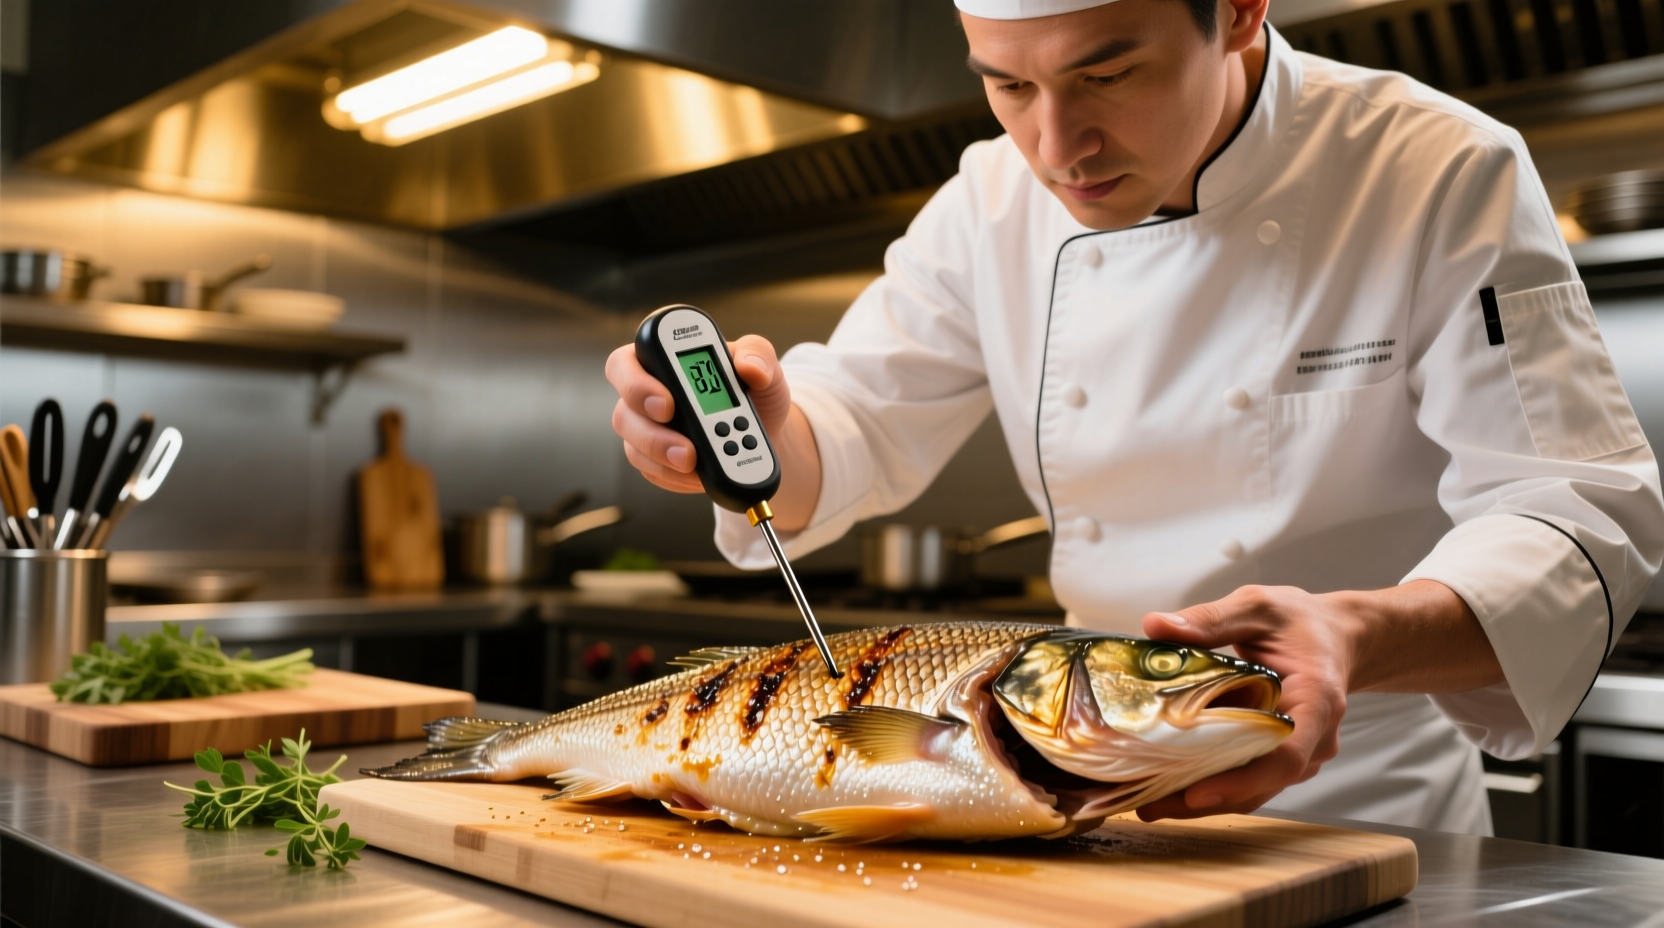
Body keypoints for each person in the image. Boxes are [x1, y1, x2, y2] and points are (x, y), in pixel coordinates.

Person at [606, 0, 1664, 834]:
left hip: (1357, 813)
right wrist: (740, 433)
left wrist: (1355, 636)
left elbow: (1578, 510)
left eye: (1107, 73)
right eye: (1007, 85)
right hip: (1062, 792)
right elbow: (845, 430)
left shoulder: (1431, 168)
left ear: (1241, 9)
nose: (1055, 144)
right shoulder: (986, 203)